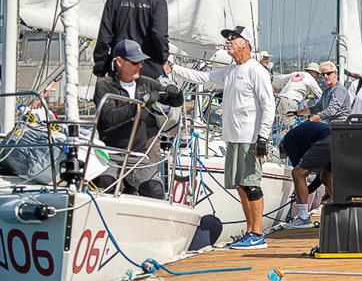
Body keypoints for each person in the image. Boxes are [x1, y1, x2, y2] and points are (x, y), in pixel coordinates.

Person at [165, 25, 275, 250]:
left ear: (246, 43)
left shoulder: (256, 70)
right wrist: (174, 68)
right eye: (228, 38)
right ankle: (250, 230)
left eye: (233, 38)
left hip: (251, 138)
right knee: (241, 186)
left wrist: (263, 137)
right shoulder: (231, 70)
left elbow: (268, 105)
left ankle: (258, 234)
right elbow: (203, 77)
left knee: (252, 185)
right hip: (233, 137)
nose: (228, 42)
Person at [92, 40, 183, 199]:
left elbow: (175, 101)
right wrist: (141, 103)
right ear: (119, 62)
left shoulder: (147, 84)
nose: (140, 66)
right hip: (109, 155)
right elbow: (110, 117)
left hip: (137, 156)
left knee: (155, 191)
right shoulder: (104, 86)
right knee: (104, 186)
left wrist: (175, 93)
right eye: (135, 62)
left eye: (141, 61)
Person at [93, 0, 169, 80]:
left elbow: (104, 37)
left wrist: (100, 68)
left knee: (118, 97)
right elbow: (159, 34)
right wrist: (163, 59)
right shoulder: (158, 0)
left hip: (120, 67)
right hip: (149, 69)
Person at [279, 121, 333, 229]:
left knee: (297, 173)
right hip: (337, 138)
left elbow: (299, 171)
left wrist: (300, 190)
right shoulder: (304, 140)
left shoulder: (287, 140)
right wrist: (309, 189)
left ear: (282, 147)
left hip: (325, 139)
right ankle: (342, 208)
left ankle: (303, 218)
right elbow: (320, 177)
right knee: (325, 176)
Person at [272, 63, 323, 131]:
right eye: (317, 73)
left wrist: (271, 81)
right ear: (313, 71)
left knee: (285, 124)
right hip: (290, 101)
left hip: (280, 100)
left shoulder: (296, 74)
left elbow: (282, 78)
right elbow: (320, 94)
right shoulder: (311, 79)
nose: (317, 76)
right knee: (291, 127)